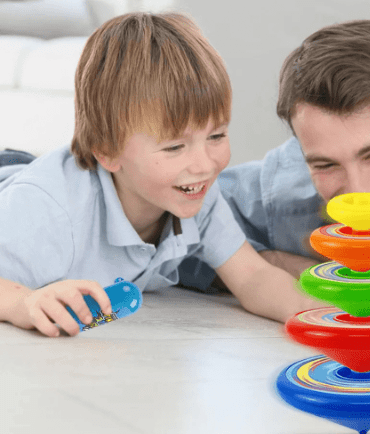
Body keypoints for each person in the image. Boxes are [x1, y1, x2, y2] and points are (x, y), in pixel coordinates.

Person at [0, 12, 327, 338]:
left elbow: (253, 277)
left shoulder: (197, 192)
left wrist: (324, 317)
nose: (204, 165)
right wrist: (23, 302)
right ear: (107, 151)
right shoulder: (49, 210)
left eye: (216, 136)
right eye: (174, 147)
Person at [178, 20, 370, 318]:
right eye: (326, 164)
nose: (359, 190)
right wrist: (271, 266)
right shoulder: (286, 192)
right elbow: (170, 220)